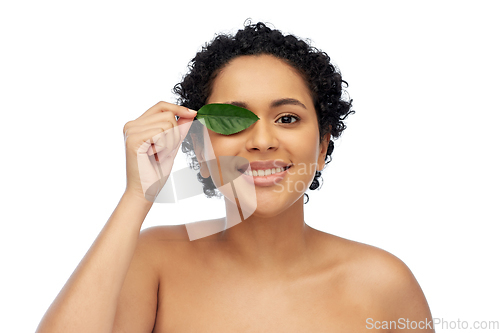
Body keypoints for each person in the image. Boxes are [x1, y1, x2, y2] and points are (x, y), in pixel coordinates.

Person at [36, 22, 434, 332]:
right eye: (233, 121)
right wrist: (138, 195)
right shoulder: (154, 261)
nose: (261, 141)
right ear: (197, 147)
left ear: (323, 147)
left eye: (287, 118)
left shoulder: (384, 284)